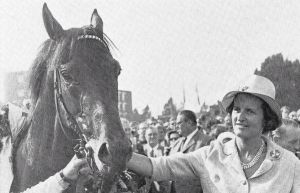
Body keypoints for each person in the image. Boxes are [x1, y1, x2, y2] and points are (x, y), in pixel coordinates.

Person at [127, 74, 300, 193]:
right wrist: (118, 153)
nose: (240, 117)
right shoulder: (211, 155)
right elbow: (160, 166)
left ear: (266, 119)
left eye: (250, 111)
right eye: (237, 109)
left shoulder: (289, 164)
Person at [166, 110, 211, 193]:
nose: (176, 126)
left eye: (179, 123)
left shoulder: (206, 141)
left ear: (189, 123)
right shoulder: (177, 143)